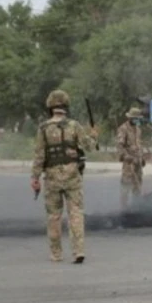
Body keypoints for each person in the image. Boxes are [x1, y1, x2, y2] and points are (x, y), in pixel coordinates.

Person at [31, 90, 98, 263]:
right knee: (76, 213)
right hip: (72, 176)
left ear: (50, 107)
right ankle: (79, 251)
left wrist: (35, 178)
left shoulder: (43, 128)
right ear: (65, 106)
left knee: (54, 216)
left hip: (52, 177)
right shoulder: (74, 126)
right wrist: (94, 136)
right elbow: (90, 147)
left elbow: (39, 155)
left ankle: (56, 254)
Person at [115, 107, 145, 209]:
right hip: (129, 164)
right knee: (126, 186)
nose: (137, 120)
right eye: (135, 118)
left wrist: (142, 157)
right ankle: (124, 209)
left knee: (138, 187)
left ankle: (136, 208)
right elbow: (120, 146)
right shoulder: (123, 129)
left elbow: (139, 144)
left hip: (138, 162)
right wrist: (127, 157)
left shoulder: (138, 129)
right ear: (130, 118)